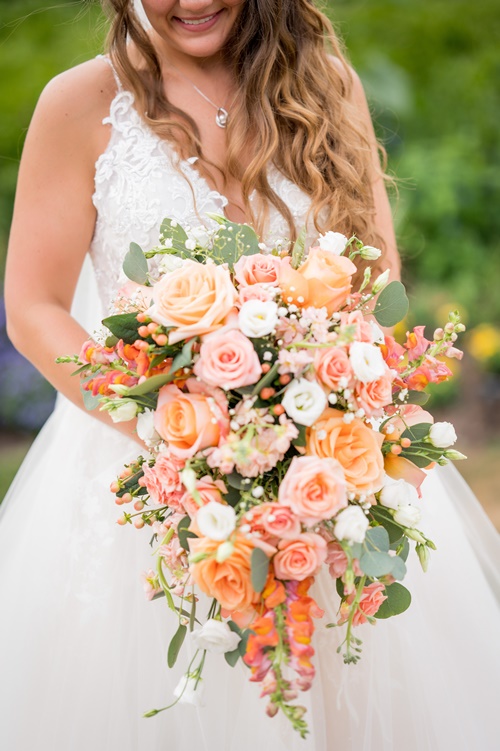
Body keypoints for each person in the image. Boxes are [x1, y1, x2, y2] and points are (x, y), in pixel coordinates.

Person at [1, 1, 499, 749]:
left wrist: (328, 401)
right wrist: (167, 427)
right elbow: (34, 306)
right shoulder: (80, 105)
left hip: (323, 472)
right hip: (142, 477)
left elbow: (375, 274)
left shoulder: (325, 83)